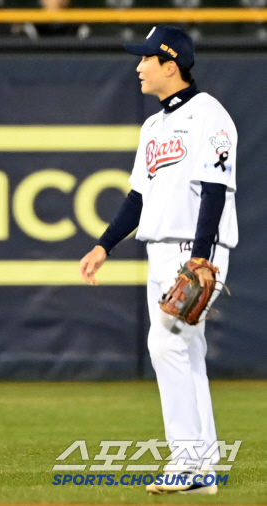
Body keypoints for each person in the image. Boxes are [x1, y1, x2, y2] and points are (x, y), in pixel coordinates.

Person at [79, 26, 237, 495]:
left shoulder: (210, 115)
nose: (139, 66)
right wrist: (104, 245)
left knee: (164, 345)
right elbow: (138, 197)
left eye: (146, 58)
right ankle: (204, 467)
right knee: (187, 351)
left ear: (170, 66)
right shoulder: (153, 127)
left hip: (195, 249)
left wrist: (201, 258)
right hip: (159, 250)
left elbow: (214, 190)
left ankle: (186, 462)